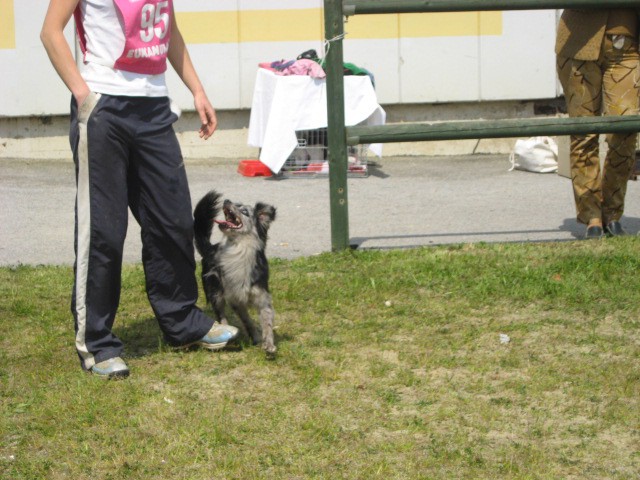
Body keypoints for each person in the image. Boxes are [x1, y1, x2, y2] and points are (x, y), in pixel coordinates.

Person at [40, 0, 238, 379]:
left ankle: (183, 324)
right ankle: (97, 344)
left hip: (154, 107)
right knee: (104, 231)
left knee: (173, 220)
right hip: (103, 108)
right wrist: (83, 94)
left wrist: (197, 89)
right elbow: (51, 31)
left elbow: (169, 32)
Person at [556, 9, 640, 239]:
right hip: (578, 44)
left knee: (626, 129)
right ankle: (591, 215)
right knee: (584, 132)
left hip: (628, 45)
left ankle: (612, 213)